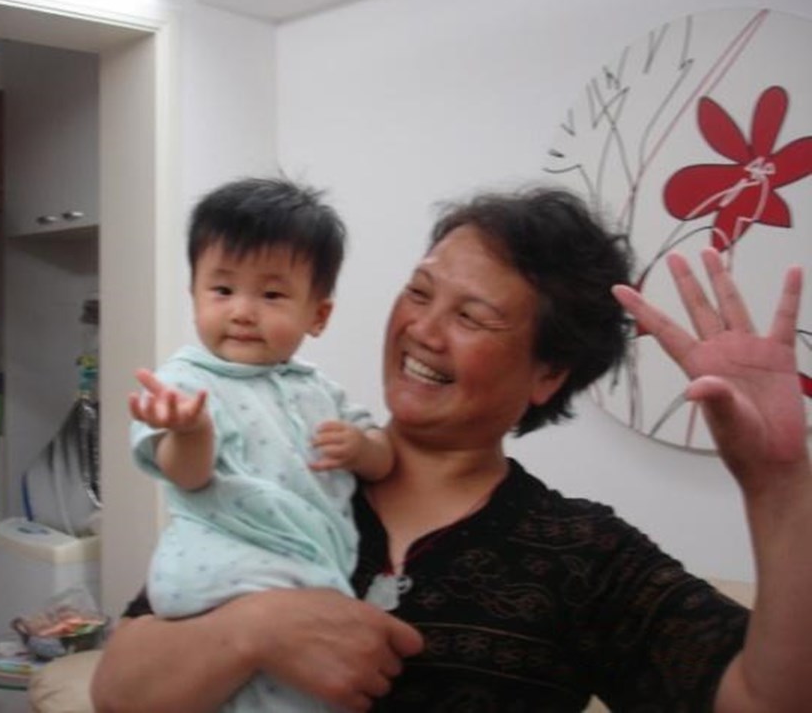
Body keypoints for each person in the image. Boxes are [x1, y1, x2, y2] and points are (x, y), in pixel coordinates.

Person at [92, 186, 811, 713]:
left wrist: (778, 483)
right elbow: (118, 690)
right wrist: (253, 630)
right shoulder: (289, 468)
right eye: (419, 292)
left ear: (547, 373)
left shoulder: (580, 553)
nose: (423, 331)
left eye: (472, 316)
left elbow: (763, 700)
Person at [127, 177, 395, 711]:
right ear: (194, 296)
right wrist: (190, 432)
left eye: (271, 295)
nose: (243, 311)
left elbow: (383, 458)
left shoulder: (319, 389)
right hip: (227, 565)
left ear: (317, 315)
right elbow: (187, 475)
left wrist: (362, 449)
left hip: (306, 565)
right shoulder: (186, 383)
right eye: (222, 290)